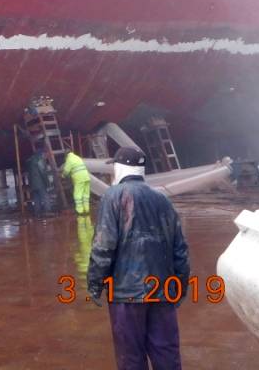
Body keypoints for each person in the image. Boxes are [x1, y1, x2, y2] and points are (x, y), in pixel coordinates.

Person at [87, 147, 190, 370]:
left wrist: (95, 284)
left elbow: (103, 246)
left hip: (125, 294)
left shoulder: (112, 196)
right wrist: (180, 287)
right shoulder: (163, 199)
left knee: (131, 357)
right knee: (167, 354)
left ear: (120, 167)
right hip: (163, 291)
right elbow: (180, 248)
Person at [61, 150, 91, 215]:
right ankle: (87, 210)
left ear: (66, 155)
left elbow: (66, 171)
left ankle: (80, 211)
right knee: (85, 195)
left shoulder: (69, 159)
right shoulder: (77, 157)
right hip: (86, 177)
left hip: (79, 179)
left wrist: (62, 176)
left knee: (77, 195)